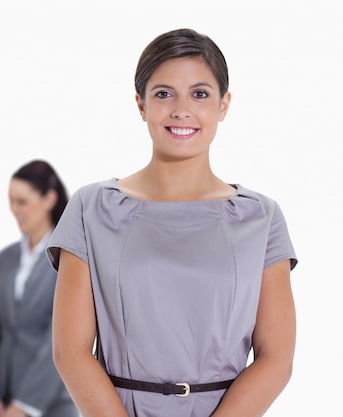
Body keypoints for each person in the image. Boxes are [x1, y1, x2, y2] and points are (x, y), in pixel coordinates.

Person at [47, 28, 298, 417]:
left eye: (200, 94)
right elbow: (70, 351)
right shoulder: (90, 208)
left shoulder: (261, 217)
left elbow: (276, 359)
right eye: (164, 94)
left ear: (224, 105)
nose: (182, 110)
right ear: (141, 105)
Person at [0, 160, 77, 417]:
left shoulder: (70, 259)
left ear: (49, 199)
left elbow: (62, 339)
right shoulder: (5, 259)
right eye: (11, 201)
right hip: (3, 403)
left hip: (51, 405)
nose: (14, 209)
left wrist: (24, 406)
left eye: (22, 201)